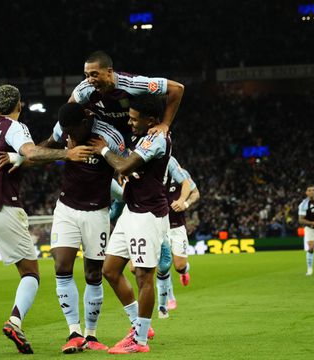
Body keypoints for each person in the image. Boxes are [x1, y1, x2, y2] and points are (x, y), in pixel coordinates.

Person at [0, 85, 92, 357]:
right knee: (31, 273)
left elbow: (20, 157)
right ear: (19, 105)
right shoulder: (15, 127)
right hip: (4, 208)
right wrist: (66, 154)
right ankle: (15, 321)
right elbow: (32, 152)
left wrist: (19, 157)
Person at [38, 103, 126, 353]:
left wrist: (106, 152)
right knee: (62, 266)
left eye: (74, 131)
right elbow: (43, 150)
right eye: (67, 133)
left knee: (93, 275)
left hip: (97, 212)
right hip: (66, 208)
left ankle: (91, 335)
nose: (71, 137)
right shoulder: (65, 133)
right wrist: (24, 157)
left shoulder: (109, 135)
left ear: (86, 120)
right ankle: (74, 332)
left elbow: (124, 162)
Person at [89, 94, 171, 354]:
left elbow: (124, 166)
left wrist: (103, 149)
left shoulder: (158, 138)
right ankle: (139, 325)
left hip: (148, 214)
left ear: (151, 120)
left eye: (135, 119)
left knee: (143, 275)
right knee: (110, 269)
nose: (130, 122)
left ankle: (140, 341)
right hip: (131, 211)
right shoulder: (142, 135)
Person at [69, 50, 184, 137]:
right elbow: (69, 107)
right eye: (87, 75)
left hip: (135, 134)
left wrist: (165, 124)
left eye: (94, 74)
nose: (89, 80)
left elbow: (177, 88)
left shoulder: (132, 84)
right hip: (106, 136)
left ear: (109, 72)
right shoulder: (86, 88)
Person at [156, 157, 200, 318]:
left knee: (179, 265)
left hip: (178, 226)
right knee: (163, 265)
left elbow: (196, 193)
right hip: (160, 226)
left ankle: (184, 271)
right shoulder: (154, 174)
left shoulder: (181, 175)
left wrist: (185, 204)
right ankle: (170, 298)